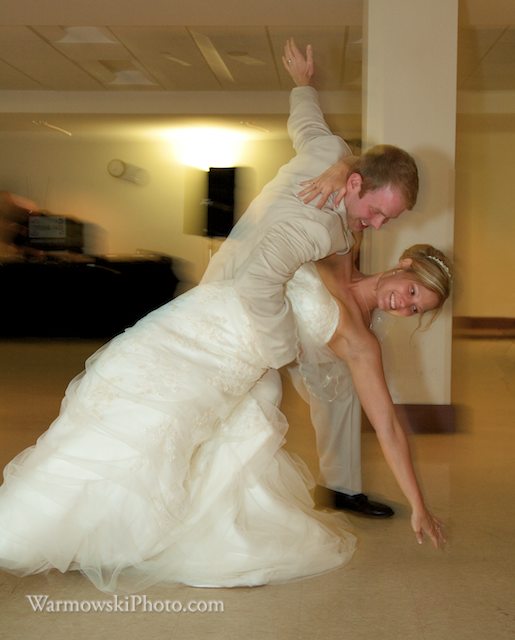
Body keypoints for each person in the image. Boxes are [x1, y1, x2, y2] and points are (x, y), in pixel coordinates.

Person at [0, 237, 450, 593]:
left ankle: (54, 532)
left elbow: (388, 426)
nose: (403, 305)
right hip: (195, 318)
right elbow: (339, 182)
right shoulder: (338, 254)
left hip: (224, 365)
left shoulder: (361, 342)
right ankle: (43, 524)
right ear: (401, 267)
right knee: (110, 395)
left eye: (415, 309)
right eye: (410, 291)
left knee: (147, 432)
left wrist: (418, 505)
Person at [203, 38, 419, 518]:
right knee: (238, 396)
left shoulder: (334, 159)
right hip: (243, 294)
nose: (378, 226)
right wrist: (279, 348)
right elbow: (260, 284)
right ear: (359, 185)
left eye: (391, 220)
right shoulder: (318, 223)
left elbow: (307, 125)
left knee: (339, 380)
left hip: (301, 295)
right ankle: (210, 498)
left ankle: (340, 487)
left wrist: (304, 84)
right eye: (377, 213)